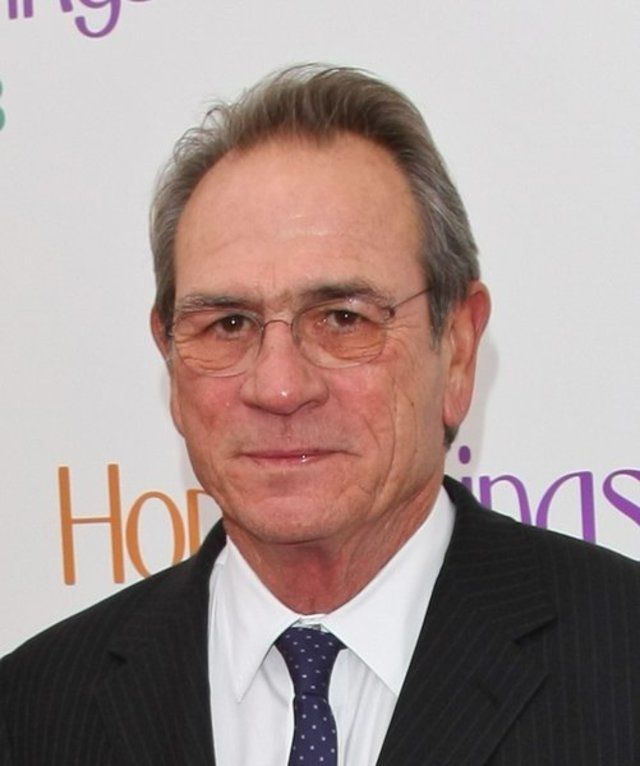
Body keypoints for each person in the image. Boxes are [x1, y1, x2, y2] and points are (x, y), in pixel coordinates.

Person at [1, 64, 638, 766]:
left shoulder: (621, 657)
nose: (279, 387)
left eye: (342, 318)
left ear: (457, 349)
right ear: (171, 359)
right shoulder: (31, 712)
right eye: (229, 324)